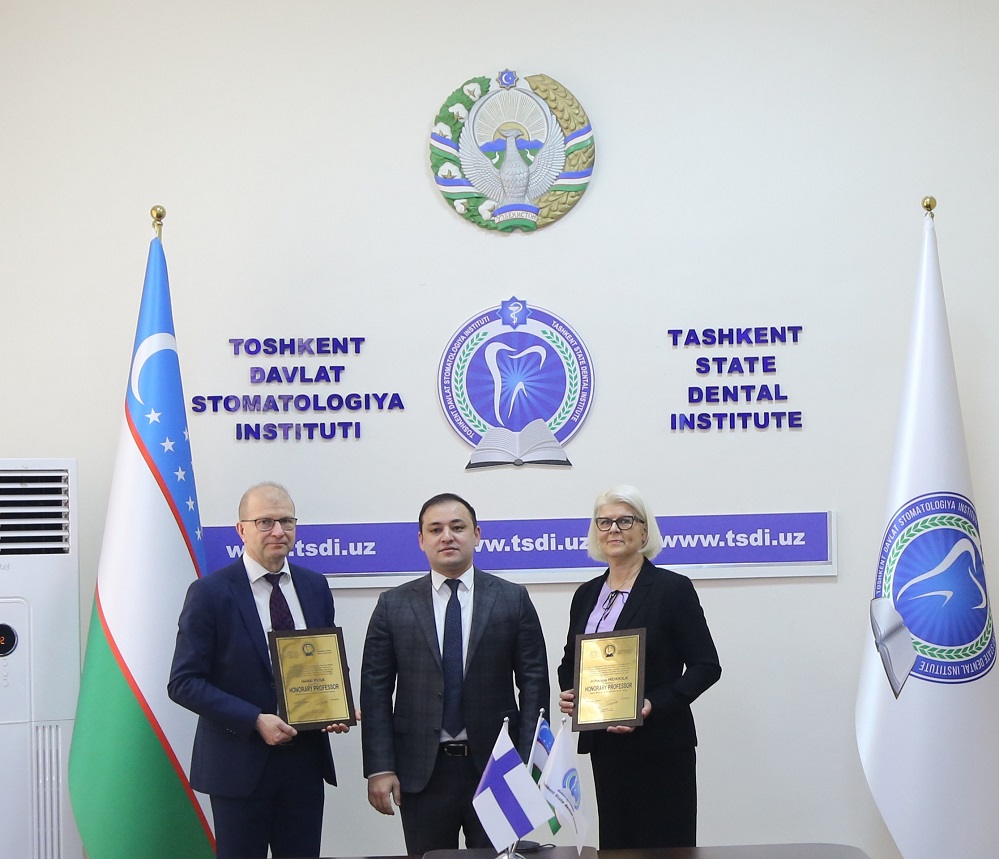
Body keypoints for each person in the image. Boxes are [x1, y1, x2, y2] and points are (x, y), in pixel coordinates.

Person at [168, 482, 351, 859]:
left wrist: (334, 706)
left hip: (304, 763)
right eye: (265, 522)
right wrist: (254, 719)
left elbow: (323, 661)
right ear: (242, 529)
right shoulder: (210, 592)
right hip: (238, 764)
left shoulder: (314, 586)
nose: (278, 531)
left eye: (287, 521)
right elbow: (183, 682)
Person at [360, 492, 549, 854]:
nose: (447, 536)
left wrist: (528, 763)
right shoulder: (392, 605)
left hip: (498, 768)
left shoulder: (512, 599)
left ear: (476, 535)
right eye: (435, 529)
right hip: (421, 771)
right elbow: (375, 692)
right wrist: (380, 767)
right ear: (421, 540)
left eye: (457, 527)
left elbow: (534, 685)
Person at [557, 485, 721, 849]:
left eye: (625, 521)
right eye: (604, 522)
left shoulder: (672, 589)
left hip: (661, 746)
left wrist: (651, 705)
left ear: (644, 531)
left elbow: (706, 666)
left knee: (665, 847)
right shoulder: (586, 594)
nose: (614, 529)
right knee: (617, 844)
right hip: (606, 747)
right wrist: (571, 692)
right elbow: (571, 661)